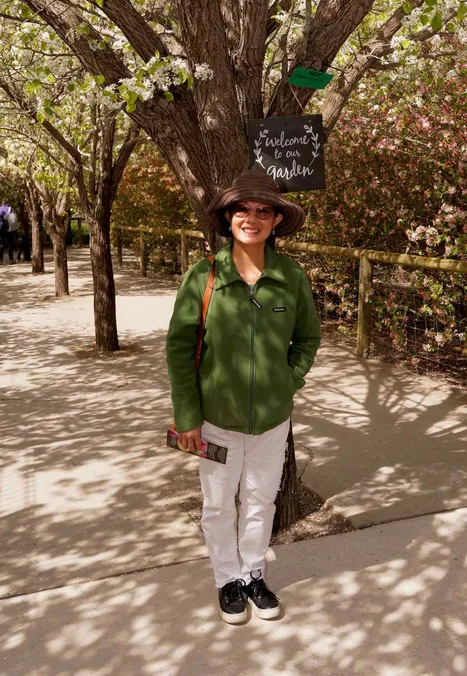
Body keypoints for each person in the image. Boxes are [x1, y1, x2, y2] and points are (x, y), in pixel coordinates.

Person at [166, 171, 321, 625]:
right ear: (227, 216)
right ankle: (226, 579)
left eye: (262, 210)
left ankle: (254, 573)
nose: (251, 217)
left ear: (276, 219)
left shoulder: (291, 276)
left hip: (273, 421)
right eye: (242, 209)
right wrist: (188, 416)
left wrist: (286, 381)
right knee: (217, 504)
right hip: (214, 421)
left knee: (261, 500)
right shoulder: (204, 276)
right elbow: (179, 348)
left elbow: (308, 339)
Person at [0, 200, 18, 265]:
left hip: (1, 228)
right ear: (7, 203)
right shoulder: (10, 209)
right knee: (10, 244)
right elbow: (14, 218)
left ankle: (0, 260)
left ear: (1, 204)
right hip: (10, 228)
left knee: (1, 245)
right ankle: (11, 259)